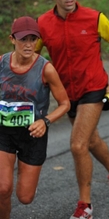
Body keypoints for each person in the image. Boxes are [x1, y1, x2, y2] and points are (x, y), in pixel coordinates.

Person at [35, 0, 109, 219]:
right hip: (67, 95)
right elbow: (33, 57)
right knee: (91, 140)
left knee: (78, 145)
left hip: (93, 88)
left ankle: (85, 205)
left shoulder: (95, 18)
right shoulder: (42, 24)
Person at [0, 16, 70, 219]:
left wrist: (45, 121)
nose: (29, 44)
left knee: (25, 197)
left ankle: (27, 182)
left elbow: (65, 103)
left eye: (33, 39)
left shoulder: (45, 69)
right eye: (23, 39)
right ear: (12, 39)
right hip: (4, 132)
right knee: (3, 188)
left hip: (33, 134)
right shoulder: (2, 63)